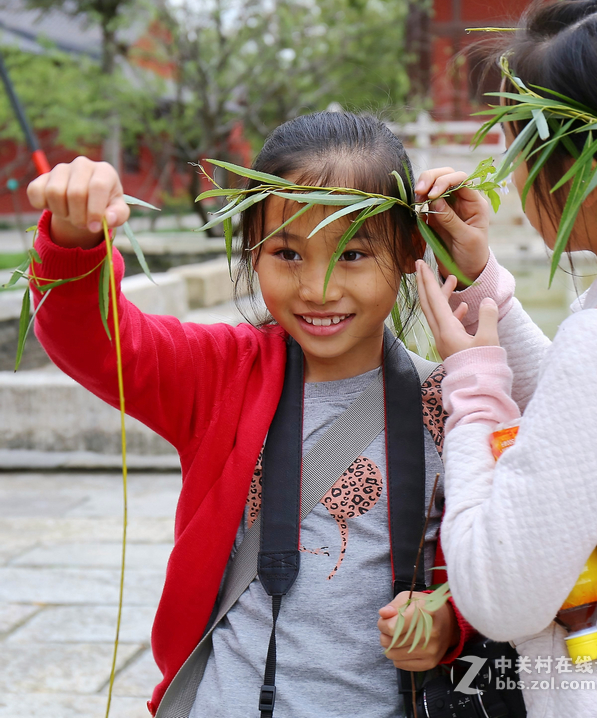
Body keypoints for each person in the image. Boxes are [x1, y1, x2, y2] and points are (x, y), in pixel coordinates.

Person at [26, 111, 475, 717]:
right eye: (287, 253)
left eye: (352, 254)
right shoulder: (222, 375)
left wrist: (449, 623)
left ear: (409, 251)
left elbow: (501, 559)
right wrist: (75, 239)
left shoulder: (457, 401)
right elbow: (94, 341)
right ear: (252, 252)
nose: (318, 289)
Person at [415, 0, 597, 717]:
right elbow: (596, 424)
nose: (513, 172)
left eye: (520, 143)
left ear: (582, 162)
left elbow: (498, 594)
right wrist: (483, 286)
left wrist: (471, 390)